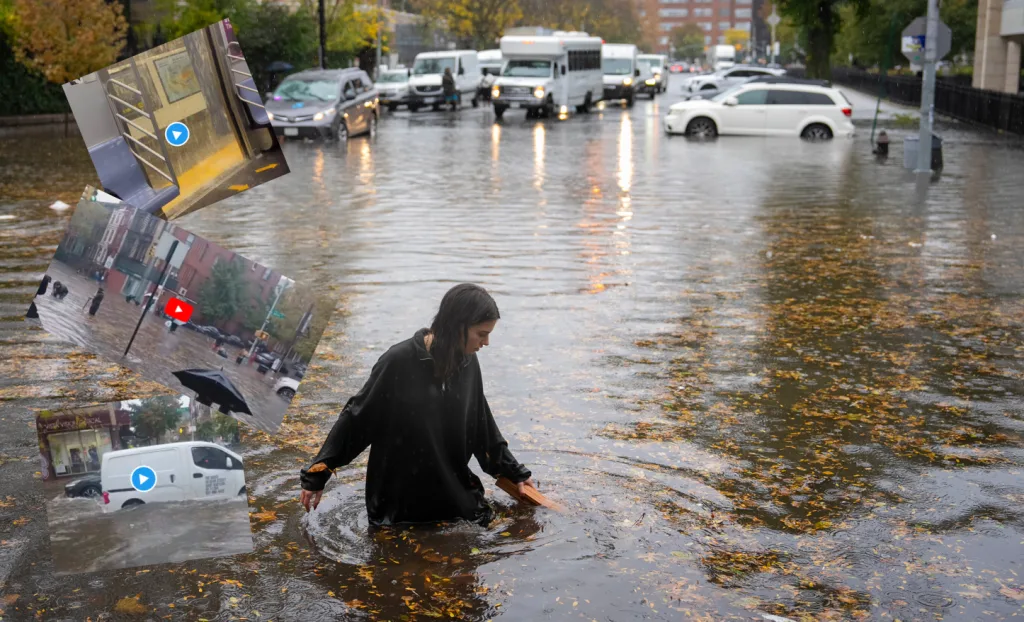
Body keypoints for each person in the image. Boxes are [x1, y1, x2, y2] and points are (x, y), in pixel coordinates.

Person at [299, 283, 535, 526]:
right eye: (482, 334)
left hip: (451, 496)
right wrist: (318, 473)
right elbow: (357, 418)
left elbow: (482, 427)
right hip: (398, 505)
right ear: (457, 326)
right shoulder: (398, 361)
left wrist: (514, 472)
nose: (485, 343)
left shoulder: (468, 363)